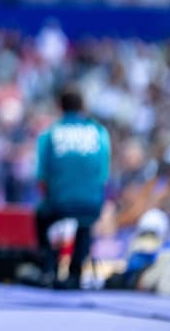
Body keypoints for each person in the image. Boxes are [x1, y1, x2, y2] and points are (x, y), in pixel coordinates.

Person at [34, 87, 111, 290]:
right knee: (84, 226)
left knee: (43, 216)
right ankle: (75, 274)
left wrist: (51, 200)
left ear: (59, 106)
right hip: (91, 204)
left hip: (60, 204)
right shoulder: (99, 132)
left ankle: (49, 268)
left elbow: (42, 177)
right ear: (83, 107)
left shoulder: (50, 134)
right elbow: (103, 175)